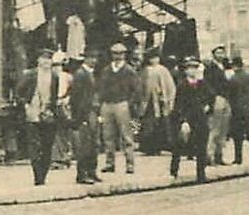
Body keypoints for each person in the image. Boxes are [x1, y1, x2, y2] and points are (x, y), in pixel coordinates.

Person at [16, 47, 68, 185]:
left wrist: (52, 108)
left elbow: (54, 95)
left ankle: (43, 175)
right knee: (34, 145)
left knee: (47, 145)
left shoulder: (55, 77)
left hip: (48, 114)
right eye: (43, 59)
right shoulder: (30, 75)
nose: (46, 62)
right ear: (38, 60)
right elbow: (19, 93)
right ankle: (37, 175)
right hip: (32, 113)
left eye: (49, 59)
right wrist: (26, 105)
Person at [97, 42, 143, 175]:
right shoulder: (106, 70)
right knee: (108, 136)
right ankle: (109, 163)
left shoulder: (129, 71)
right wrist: (101, 103)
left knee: (127, 136)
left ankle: (130, 164)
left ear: (124, 55)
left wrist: (130, 103)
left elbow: (136, 90)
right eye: (115, 53)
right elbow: (101, 88)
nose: (118, 56)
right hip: (107, 104)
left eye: (120, 54)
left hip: (122, 104)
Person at [169, 56, 212, 182]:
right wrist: (183, 121)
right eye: (189, 68)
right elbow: (179, 105)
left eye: (194, 68)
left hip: (200, 119)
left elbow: (211, 96)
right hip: (187, 119)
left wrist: (208, 106)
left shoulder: (202, 84)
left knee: (201, 146)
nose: (192, 71)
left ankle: (201, 173)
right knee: (180, 145)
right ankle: (174, 171)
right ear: (185, 70)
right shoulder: (182, 85)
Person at [67, 53, 101, 184]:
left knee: (93, 143)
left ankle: (92, 171)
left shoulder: (91, 73)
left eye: (95, 57)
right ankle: (82, 174)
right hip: (84, 113)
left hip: (92, 111)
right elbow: (76, 97)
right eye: (91, 57)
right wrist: (79, 116)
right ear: (86, 59)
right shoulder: (81, 74)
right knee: (85, 145)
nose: (94, 60)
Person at [226, 57, 249, 165]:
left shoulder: (232, 79)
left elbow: (231, 96)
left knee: (238, 136)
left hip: (238, 110)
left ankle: (238, 158)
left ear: (234, 66)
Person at [138, 49, 176, 155]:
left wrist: (167, 98)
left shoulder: (162, 70)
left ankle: (159, 146)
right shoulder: (144, 70)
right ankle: (146, 146)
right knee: (146, 124)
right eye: (152, 58)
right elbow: (140, 85)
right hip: (147, 101)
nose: (154, 60)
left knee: (159, 124)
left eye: (156, 57)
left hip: (159, 101)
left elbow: (170, 86)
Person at [205, 46, 232, 165]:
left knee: (223, 129)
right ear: (213, 54)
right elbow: (208, 85)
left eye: (222, 53)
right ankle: (209, 156)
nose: (220, 55)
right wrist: (212, 98)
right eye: (218, 53)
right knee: (214, 129)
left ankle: (219, 156)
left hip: (225, 99)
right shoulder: (210, 68)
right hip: (217, 99)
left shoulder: (225, 68)